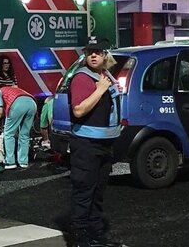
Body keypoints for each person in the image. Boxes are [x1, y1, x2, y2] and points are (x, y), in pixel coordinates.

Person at [69, 37, 123, 247]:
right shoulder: (82, 78)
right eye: (90, 51)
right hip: (86, 145)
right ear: (85, 54)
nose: (93, 55)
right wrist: (100, 90)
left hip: (104, 144)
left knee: (97, 193)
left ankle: (95, 236)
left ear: (105, 55)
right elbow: (79, 110)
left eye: (98, 51)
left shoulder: (105, 76)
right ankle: (80, 240)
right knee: (84, 191)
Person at [0, 86, 37, 169]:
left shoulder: (0, 91)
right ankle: (23, 162)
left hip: (18, 104)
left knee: (9, 134)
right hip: (32, 103)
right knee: (24, 134)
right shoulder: (15, 89)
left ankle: (10, 162)